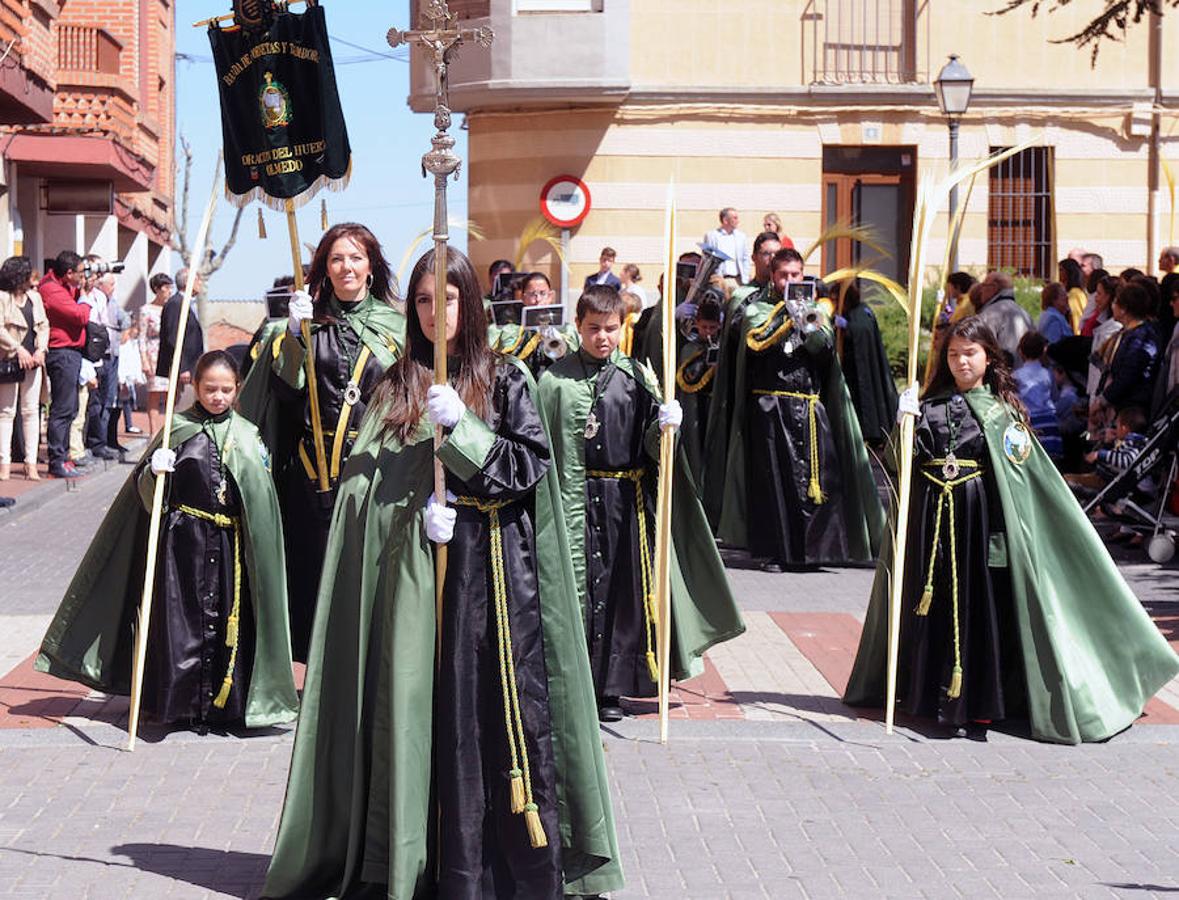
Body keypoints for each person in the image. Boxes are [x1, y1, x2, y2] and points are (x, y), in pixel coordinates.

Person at [262, 247, 623, 899]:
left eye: (447, 298)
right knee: (413, 715)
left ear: (469, 302)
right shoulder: (394, 382)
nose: (435, 312)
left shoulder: (506, 378)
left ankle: (475, 865)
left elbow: (525, 470)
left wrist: (464, 438)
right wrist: (400, 516)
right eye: (423, 300)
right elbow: (363, 485)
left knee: (472, 719)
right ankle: (407, 859)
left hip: (483, 587)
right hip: (409, 586)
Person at [844, 316, 1179, 742]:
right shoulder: (927, 408)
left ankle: (981, 703)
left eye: (970, 354)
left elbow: (1027, 485)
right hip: (933, 530)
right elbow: (897, 467)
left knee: (979, 610)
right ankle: (932, 696)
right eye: (952, 355)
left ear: (988, 358)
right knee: (934, 605)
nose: (961, 362)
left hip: (981, 528)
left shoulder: (1003, 416)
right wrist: (901, 423)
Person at [35, 350, 298, 733]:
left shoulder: (247, 434)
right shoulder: (177, 429)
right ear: (195, 387)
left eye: (226, 390)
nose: (218, 397)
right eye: (210, 389)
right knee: (181, 624)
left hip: (229, 547)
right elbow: (147, 496)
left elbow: (261, 500)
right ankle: (180, 703)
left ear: (237, 389)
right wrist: (153, 471)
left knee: (228, 622)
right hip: (182, 547)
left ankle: (223, 707)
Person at [537, 284, 744, 722]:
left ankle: (613, 687)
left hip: (623, 503)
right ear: (578, 326)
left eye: (610, 329)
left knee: (620, 595)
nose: (602, 338)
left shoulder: (636, 376)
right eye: (593, 329)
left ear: (622, 327)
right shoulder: (554, 381)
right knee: (578, 589)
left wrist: (666, 427)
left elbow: (653, 448)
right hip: (575, 500)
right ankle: (578, 685)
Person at [240, 223, 405, 665]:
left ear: (371, 265)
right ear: (323, 268)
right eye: (336, 259)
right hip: (313, 476)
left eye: (355, 257)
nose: (346, 266)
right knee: (313, 580)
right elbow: (287, 391)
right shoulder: (308, 322)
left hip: (375, 474)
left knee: (369, 580)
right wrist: (293, 335)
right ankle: (316, 680)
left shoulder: (397, 325)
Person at [713, 248, 886, 570]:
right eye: (783, 275)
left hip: (808, 407)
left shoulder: (817, 309)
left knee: (814, 481)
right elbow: (753, 341)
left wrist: (806, 323)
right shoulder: (757, 309)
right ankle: (778, 552)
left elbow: (824, 351)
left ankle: (813, 551)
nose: (790, 280)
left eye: (796, 274)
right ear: (773, 275)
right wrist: (783, 317)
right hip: (769, 407)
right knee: (775, 482)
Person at [40, 251, 88, 478]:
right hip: (62, 353)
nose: (83, 277)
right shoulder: (51, 289)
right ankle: (56, 461)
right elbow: (79, 315)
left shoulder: (66, 286)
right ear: (68, 273)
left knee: (71, 408)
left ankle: (64, 456)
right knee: (62, 409)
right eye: (80, 273)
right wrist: (86, 299)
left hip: (72, 353)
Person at [833, 281, 898, 447]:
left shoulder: (862, 311)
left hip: (863, 369)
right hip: (850, 368)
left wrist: (848, 327)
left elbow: (863, 330)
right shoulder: (850, 312)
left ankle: (872, 434)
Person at [0, 256, 47, 481]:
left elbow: (44, 325)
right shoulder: (2, 298)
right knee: (6, 412)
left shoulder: (35, 298)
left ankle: (31, 463)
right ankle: (4, 465)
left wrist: (41, 349)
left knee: (31, 411)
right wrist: (17, 348)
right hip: (9, 359)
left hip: (34, 361)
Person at [488, 271, 578, 376]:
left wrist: (554, 337)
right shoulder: (511, 329)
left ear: (551, 296)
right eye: (532, 294)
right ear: (523, 297)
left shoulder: (565, 329)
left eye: (542, 293)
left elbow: (574, 358)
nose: (538, 300)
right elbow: (505, 358)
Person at [674, 290, 723, 482]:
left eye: (713, 327)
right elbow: (686, 377)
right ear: (696, 325)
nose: (709, 332)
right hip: (695, 406)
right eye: (704, 327)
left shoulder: (722, 347)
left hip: (714, 406)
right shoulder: (689, 348)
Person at [1099, 281, 1159, 415]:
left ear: (1124, 308)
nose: (1112, 306)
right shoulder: (1126, 334)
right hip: (1121, 405)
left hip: (1132, 407)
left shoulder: (1141, 337)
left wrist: (1104, 399)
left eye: (1115, 302)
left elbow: (1128, 374)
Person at [156, 267, 205, 405]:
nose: (200, 283)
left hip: (192, 367)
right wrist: (183, 367)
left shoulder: (187, 303)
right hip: (183, 369)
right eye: (197, 280)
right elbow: (174, 337)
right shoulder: (176, 304)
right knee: (182, 407)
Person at [1015, 332, 1062, 460]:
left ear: (1021, 352)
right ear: (1043, 351)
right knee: (1052, 461)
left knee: (1034, 459)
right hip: (1049, 421)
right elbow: (1055, 396)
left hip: (1030, 421)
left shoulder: (1016, 375)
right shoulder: (1047, 373)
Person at [975, 271, 1032, 369]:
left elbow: (981, 349)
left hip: (1001, 376)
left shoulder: (990, 315)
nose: (981, 291)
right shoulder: (1025, 313)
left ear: (994, 287)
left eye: (983, 286)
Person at [139, 272, 173, 435]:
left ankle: (168, 432)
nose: (169, 291)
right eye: (166, 288)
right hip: (153, 355)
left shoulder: (171, 308)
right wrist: (144, 360)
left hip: (169, 355)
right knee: (154, 394)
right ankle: (153, 433)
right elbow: (142, 337)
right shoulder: (146, 310)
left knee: (170, 395)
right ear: (157, 289)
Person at [702, 207, 751, 287]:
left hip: (738, 280)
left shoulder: (741, 237)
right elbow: (706, 259)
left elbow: (746, 258)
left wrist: (746, 275)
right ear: (725, 220)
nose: (738, 221)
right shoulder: (711, 236)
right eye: (735, 218)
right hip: (720, 279)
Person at [1058, 258, 1088, 332]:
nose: (1059, 273)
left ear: (1069, 272)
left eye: (1061, 270)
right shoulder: (1068, 292)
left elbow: (1076, 317)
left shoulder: (1075, 293)